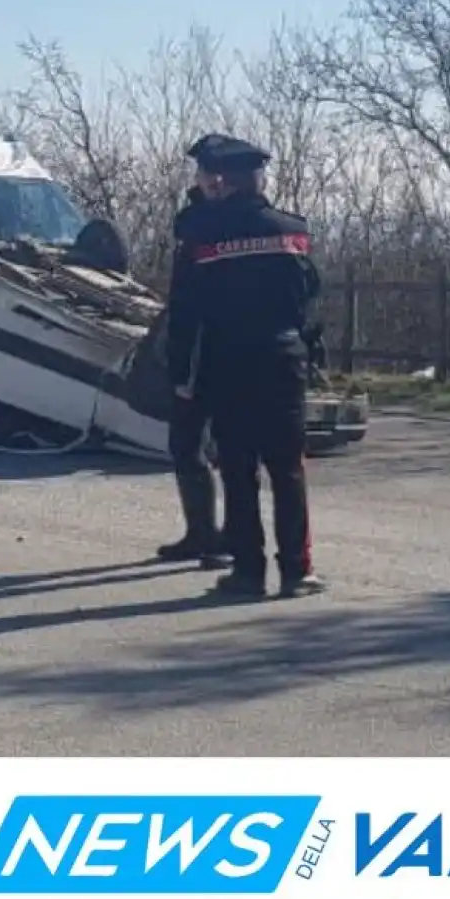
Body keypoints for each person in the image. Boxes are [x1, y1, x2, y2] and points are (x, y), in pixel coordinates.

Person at [167, 134, 325, 598]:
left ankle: (248, 572)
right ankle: (298, 571)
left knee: (238, 469)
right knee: (288, 468)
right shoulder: (291, 230)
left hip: (228, 362)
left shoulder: (201, 234)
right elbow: (306, 302)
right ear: (258, 180)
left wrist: (182, 377)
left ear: (223, 180)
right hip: (283, 360)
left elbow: (185, 314)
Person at [156, 180, 229, 569]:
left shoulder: (206, 241)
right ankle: (203, 532)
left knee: (204, 447)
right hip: (212, 354)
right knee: (193, 447)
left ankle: (219, 537)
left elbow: (190, 310)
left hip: (204, 357)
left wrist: (183, 368)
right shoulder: (210, 232)